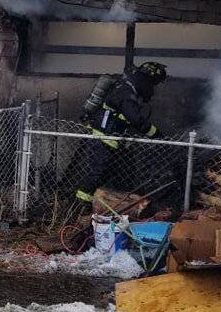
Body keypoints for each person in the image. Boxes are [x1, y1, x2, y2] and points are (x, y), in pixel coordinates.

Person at [69, 61, 167, 217]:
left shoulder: (128, 90)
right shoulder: (126, 93)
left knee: (126, 174)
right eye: (152, 85)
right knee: (97, 173)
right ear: (145, 80)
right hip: (104, 141)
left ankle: (121, 208)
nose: (152, 90)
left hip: (117, 144)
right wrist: (158, 136)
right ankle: (80, 209)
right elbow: (135, 119)